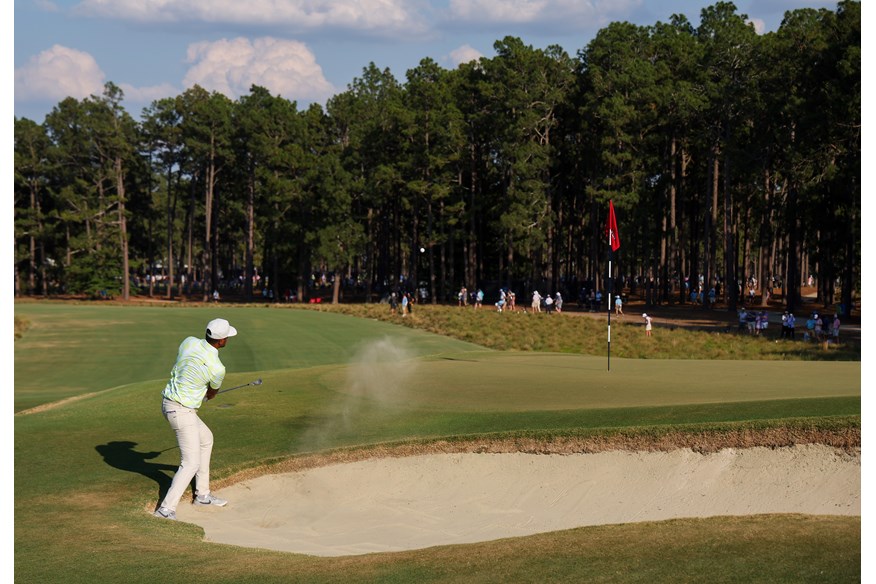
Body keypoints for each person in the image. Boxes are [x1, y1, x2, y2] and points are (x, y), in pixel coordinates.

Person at [154, 318, 237, 520]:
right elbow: (212, 392)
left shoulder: (188, 341)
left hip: (170, 403)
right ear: (221, 340)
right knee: (190, 463)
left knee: (206, 439)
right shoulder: (217, 367)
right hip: (181, 411)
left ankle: (202, 494)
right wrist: (205, 395)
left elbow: (184, 365)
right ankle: (166, 510)